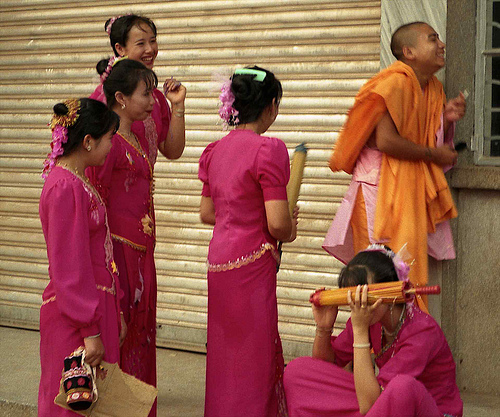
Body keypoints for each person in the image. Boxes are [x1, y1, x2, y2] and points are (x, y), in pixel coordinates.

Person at [322, 22, 466, 299]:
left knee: (403, 272)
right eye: (432, 39)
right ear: (409, 52)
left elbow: (424, 136)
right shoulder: (394, 83)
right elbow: (387, 141)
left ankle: (403, 327)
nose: (442, 45)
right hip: (378, 188)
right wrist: (434, 155)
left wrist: (446, 120)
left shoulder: (432, 88)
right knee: (378, 274)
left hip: (407, 189)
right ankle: (372, 328)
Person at [198, 66, 298, 417]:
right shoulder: (269, 150)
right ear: (271, 106)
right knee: (254, 357)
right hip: (252, 262)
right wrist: (289, 228)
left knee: (225, 355)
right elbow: (277, 223)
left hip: (220, 261)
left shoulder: (214, 151)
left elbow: (207, 213)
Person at [284, 245, 463, 417]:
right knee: (297, 371)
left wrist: (360, 331)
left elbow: (369, 404)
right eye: (354, 295)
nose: (359, 302)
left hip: (427, 411)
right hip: (380, 404)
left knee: (402, 388)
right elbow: (326, 365)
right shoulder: (370, 316)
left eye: (364, 293)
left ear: (389, 290)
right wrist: (323, 328)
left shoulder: (422, 331)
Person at [38, 98, 123, 416]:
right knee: (75, 405)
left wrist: (115, 311)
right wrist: (90, 331)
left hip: (93, 311)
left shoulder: (77, 182)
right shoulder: (65, 188)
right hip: (76, 320)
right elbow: (70, 267)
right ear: (88, 141)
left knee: (96, 404)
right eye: (109, 138)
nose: (112, 146)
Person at [86, 58, 159, 415]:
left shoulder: (135, 137)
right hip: (118, 257)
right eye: (146, 94)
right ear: (121, 98)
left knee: (142, 338)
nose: (152, 102)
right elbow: (96, 207)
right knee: (123, 337)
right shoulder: (110, 144)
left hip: (141, 256)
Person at [90, 14, 186, 167]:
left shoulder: (156, 98)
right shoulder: (104, 98)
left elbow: (172, 151)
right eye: (141, 43)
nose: (150, 49)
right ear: (120, 49)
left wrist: (178, 105)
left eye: (153, 41)